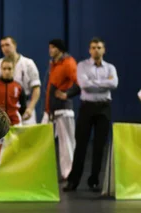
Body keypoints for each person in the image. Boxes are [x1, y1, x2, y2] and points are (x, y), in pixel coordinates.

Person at [64, 37, 118, 193]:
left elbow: (114, 84)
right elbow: (84, 85)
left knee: (100, 145)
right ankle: (73, 181)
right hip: (87, 107)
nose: (96, 50)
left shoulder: (110, 68)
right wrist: (103, 83)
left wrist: (94, 83)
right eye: (93, 47)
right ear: (89, 50)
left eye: (99, 47)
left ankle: (94, 181)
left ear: (104, 50)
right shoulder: (82, 66)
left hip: (104, 108)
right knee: (80, 145)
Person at [43, 39, 80, 181]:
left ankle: (69, 174)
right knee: (48, 143)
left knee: (67, 144)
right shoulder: (53, 64)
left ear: (60, 49)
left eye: (53, 47)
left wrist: (67, 94)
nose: (50, 50)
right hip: (52, 111)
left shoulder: (69, 63)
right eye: (49, 47)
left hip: (64, 110)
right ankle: (53, 173)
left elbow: (79, 83)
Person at [0, 36, 41, 125]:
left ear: (15, 45)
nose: (5, 48)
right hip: (4, 109)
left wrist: (30, 108)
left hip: (25, 106)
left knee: (27, 137)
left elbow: (36, 88)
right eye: (2, 46)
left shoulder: (28, 63)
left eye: (7, 45)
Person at [0, 58, 27, 125]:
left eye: (9, 69)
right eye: (4, 68)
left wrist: (16, 114)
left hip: (15, 122)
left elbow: (23, 105)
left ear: (13, 69)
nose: (7, 71)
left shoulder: (18, 87)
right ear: (1, 69)